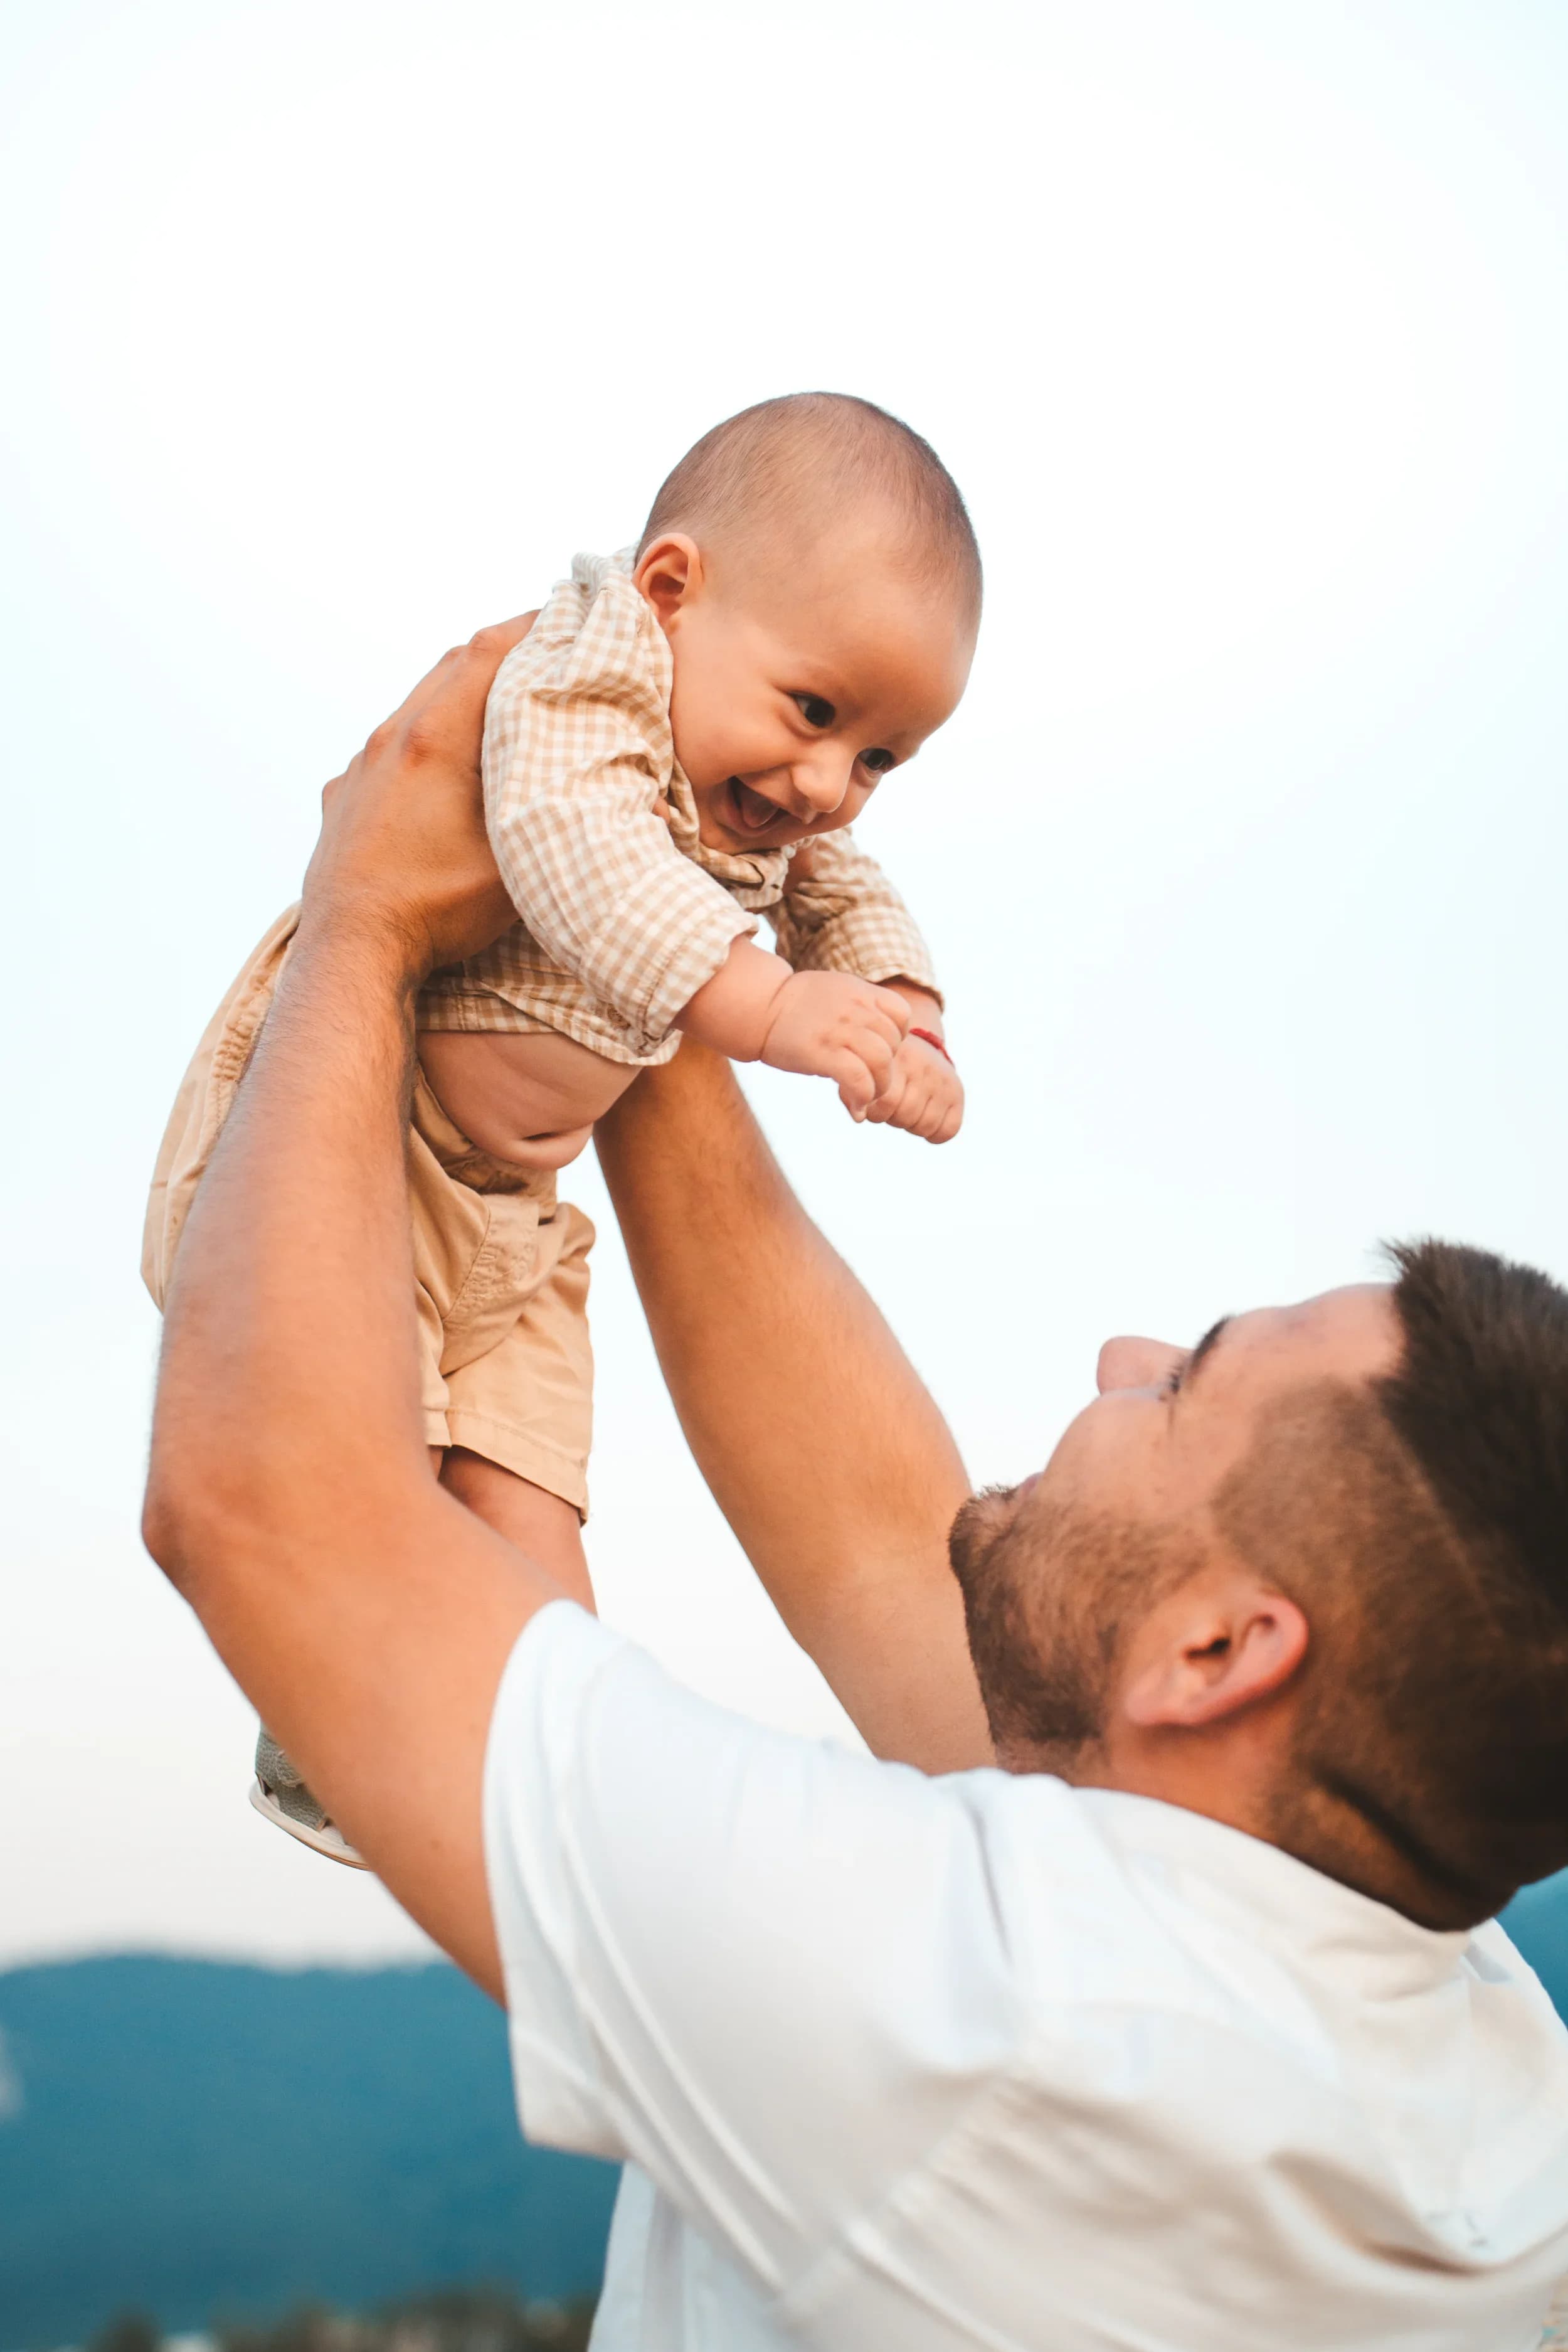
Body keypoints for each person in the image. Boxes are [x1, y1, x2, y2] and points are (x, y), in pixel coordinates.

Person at [142, 621, 1568, 2351]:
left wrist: (363, 917)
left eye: (1189, 1377)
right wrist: (619, 901)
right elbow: (886, 1548)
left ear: (1217, 1652)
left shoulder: (994, 2029)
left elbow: (267, 1509)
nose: (1123, 1354)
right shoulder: (1466, 2045)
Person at [141, 392, 973, 1860]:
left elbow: (836, 881)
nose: (826, 786)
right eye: (816, 715)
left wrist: (897, 1001)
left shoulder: (768, 797)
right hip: (364, 1142)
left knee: (531, 1487)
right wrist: (775, 1011)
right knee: (356, 1453)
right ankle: (327, 1716)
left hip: (516, 1210)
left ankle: (548, 1798)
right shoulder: (581, 675)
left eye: (880, 758)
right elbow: (570, 852)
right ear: (669, 590)